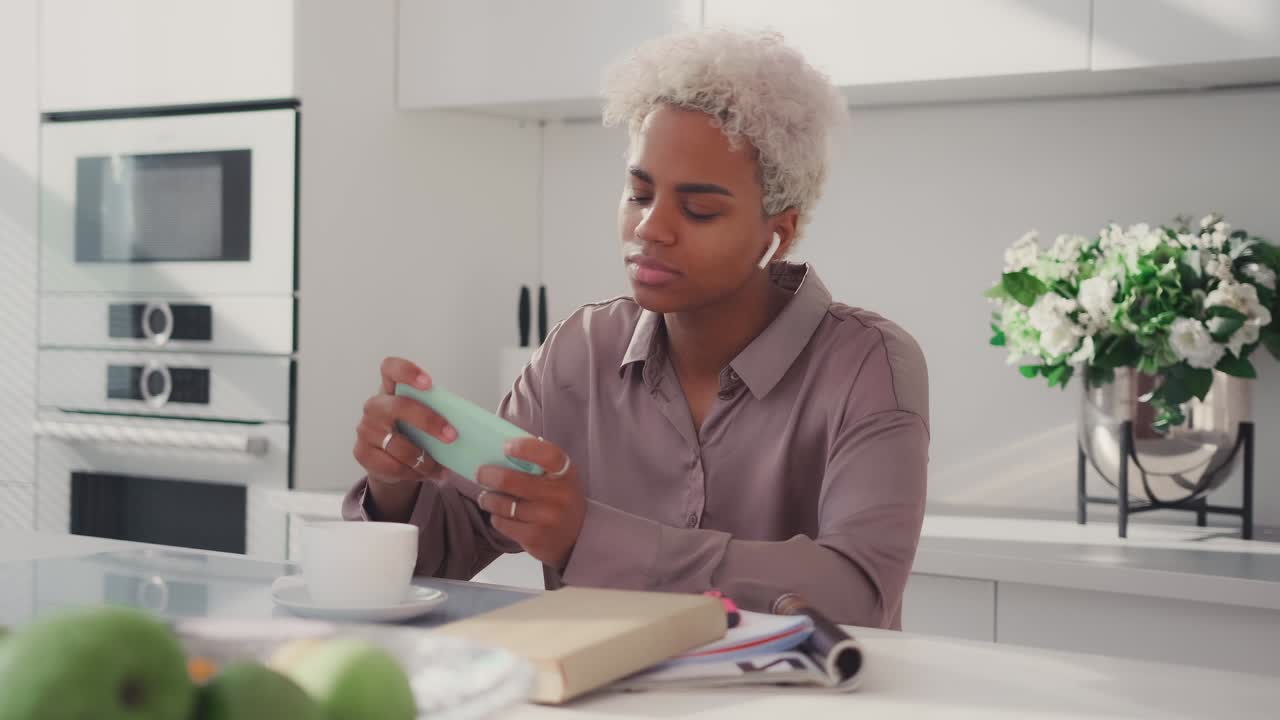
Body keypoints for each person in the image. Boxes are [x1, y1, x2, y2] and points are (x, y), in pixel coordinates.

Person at [345, 29, 929, 629]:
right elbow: (444, 551)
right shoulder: (580, 351)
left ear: (775, 232)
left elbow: (855, 594)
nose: (651, 227)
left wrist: (588, 536)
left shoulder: (867, 364)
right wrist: (395, 484)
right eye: (639, 192)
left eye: (699, 209)